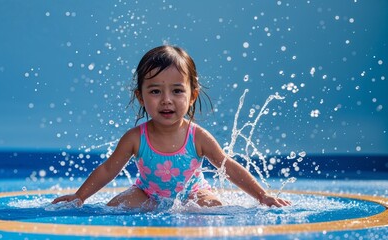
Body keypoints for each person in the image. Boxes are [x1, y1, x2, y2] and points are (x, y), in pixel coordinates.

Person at [52, 45, 291, 210]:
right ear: (141, 97)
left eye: (177, 91)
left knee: (213, 207)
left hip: (193, 194)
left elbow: (227, 166)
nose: (166, 100)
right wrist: (79, 197)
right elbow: (107, 170)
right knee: (115, 206)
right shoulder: (136, 138)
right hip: (147, 193)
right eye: (155, 91)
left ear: (192, 95)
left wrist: (262, 196)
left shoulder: (196, 137)